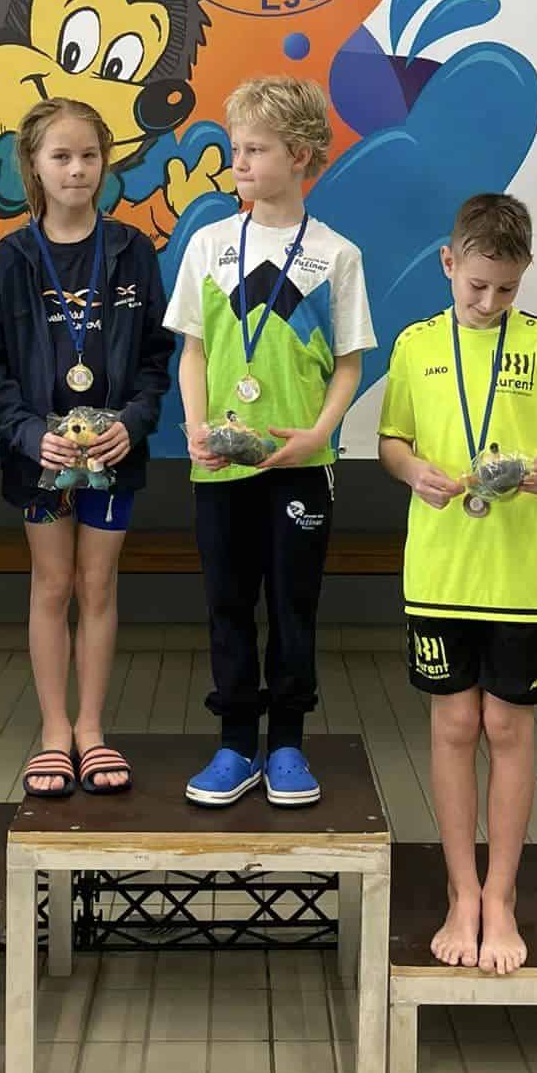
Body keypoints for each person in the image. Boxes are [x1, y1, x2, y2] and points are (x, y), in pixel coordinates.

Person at [378, 194, 537, 973]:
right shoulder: (416, 344)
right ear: (449, 263)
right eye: (476, 286)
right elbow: (393, 440)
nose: (490, 301)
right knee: (455, 727)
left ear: (523, 275)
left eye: (506, 288)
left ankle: (502, 895)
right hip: (440, 570)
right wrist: (412, 471)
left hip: (520, 573)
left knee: (508, 729)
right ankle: (461, 891)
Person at [165, 77, 375, 807]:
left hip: (301, 465)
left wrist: (318, 433)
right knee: (227, 605)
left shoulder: (337, 255)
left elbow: (349, 364)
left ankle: (286, 742)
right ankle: (234, 744)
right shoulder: (210, 245)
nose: (240, 161)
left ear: (301, 155)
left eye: (256, 149)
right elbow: (192, 351)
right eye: (236, 148)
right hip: (220, 465)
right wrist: (196, 427)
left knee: (292, 606)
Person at [0, 99, 173, 797]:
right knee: (53, 584)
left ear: (105, 161)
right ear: (33, 165)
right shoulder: (11, 257)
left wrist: (134, 423)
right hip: (42, 465)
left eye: (89, 155)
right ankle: (54, 730)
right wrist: (32, 436)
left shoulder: (132, 250)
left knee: (97, 585)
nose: (77, 169)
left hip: (115, 457)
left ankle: (91, 727)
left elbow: (157, 359)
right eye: (60, 156)